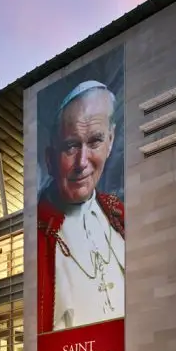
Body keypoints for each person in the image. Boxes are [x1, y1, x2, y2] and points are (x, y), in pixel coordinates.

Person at [37, 80, 125, 333]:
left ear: (110, 140)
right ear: (50, 159)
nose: (82, 162)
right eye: (71, 146)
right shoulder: (38, 233)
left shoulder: (120, 216)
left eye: (95, 141)